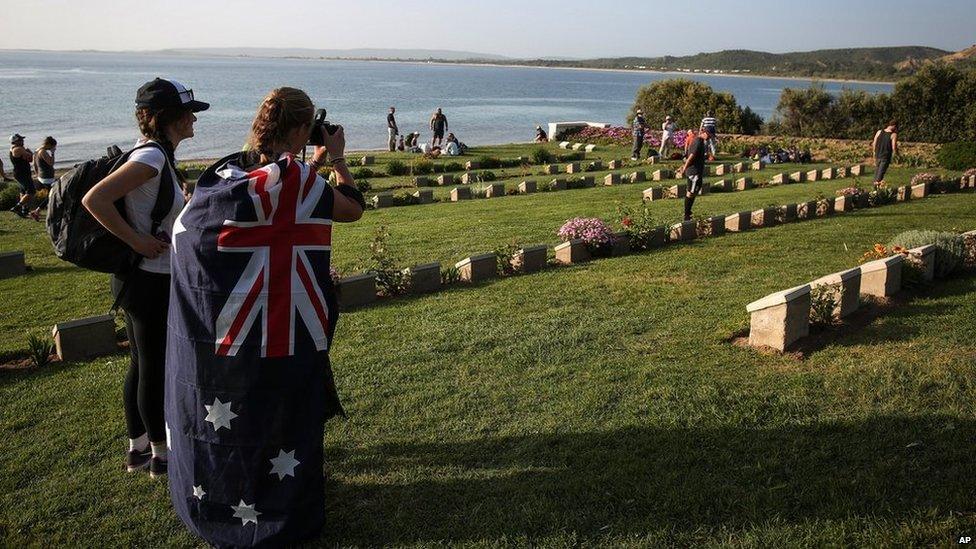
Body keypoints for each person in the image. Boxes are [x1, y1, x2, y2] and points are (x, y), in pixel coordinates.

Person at [165, 87, 364, 548]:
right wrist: (336, 159)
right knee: (278, 404)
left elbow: (277, 197)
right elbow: (350, 208)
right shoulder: (297, 180)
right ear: (300, 129)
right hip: (279, 325)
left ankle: (224, 488)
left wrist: (305, 164)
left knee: (246, 407)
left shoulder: (231, 171)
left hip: (228, 329)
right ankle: (280, 501)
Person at [82, 77, 208, 479]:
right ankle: (161, 455)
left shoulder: (157, 156)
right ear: (168, 118)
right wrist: (137, 240)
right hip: (149, 279)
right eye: (189, 113)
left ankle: (138, 449)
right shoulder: (152, 157)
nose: (194, 119)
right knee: (154, 366)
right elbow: (95, 199)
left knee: (141, 363)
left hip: (139, 279)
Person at [677, 128, 709, 221]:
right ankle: (687, 214)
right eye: (708, 134)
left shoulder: (701, 141)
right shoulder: (698, 141)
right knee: (691, 192)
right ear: (703, 132)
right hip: (694, 171)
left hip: (696, 171)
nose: (710, 137)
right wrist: (684, 167)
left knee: (695, 189)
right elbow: (691, 156)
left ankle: (688, 212)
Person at [7, 134, 40, 221]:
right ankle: (17, 207)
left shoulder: (15, 149)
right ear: (15, 141)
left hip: (21, 173)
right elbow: (31, 157)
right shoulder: (18, 149)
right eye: (21, 140)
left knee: (23, 191)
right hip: (22, 173)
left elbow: (29, 159)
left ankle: (24, 210)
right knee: (31, 191)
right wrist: (31, 152)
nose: (23, 141)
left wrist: (28, 153)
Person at [872, 120, 898, 186]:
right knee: (880, 174)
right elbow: (894, 147)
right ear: (894, 126)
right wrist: (897, 155)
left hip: (877, 155)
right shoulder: (893, 135)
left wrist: (874, 153)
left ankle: (875, 187)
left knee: (877, 172)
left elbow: (874, 143)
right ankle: (875, 190)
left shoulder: (879, 132)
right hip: (885, 157)